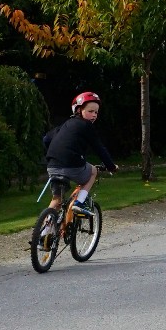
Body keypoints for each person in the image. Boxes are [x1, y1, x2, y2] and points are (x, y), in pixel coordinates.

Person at [42, 92, 117, 232]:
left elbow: (46, 139)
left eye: (96, 112)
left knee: (56, 200)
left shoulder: (64, 125)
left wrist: (54, 154)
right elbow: (99, 148)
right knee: (93, 171)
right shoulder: (86, 126)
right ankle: (79, 203)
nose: (94, 115)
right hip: (72, 165)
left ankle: (42, 236)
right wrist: (111, 166)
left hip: (52, 165)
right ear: (78, 110)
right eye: (90, 111)